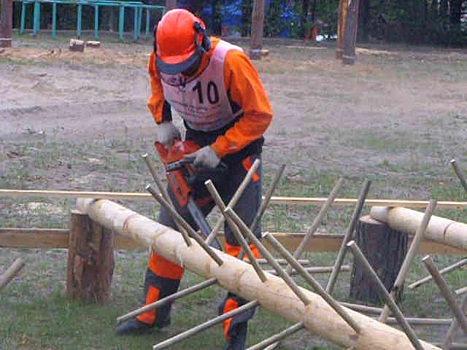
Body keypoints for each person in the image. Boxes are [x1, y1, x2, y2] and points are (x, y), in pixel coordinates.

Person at [116, 8, 273, 350]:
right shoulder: (161, 57)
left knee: (240, 237)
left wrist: (221, 148)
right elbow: (158, 85)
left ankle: (234, 329)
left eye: (185, 65)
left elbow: (260, 115)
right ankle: (153, 312)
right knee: (171, 229)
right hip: (195, 143)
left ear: (201, 41)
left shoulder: (230, 61)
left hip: (238, 150)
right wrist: (162, 119)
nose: (180, 72)